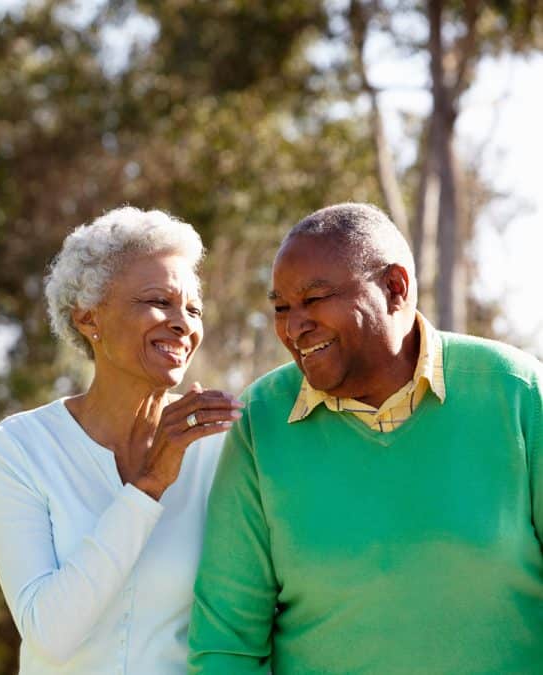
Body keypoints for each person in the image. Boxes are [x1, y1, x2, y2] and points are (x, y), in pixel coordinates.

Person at [188, 202, 543, 673]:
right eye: (281, 308)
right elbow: (226, 644)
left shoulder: (516, 392)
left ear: (395, 288)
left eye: (313, 300)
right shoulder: (260, 422)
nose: (294, 327)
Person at [0, 206, 242, 674]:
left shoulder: (220, 447)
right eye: (157, 301)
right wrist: (149, 486)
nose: (183, 323)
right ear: (88, 318)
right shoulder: (19, 447)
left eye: (193, 308)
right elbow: (49, 633)